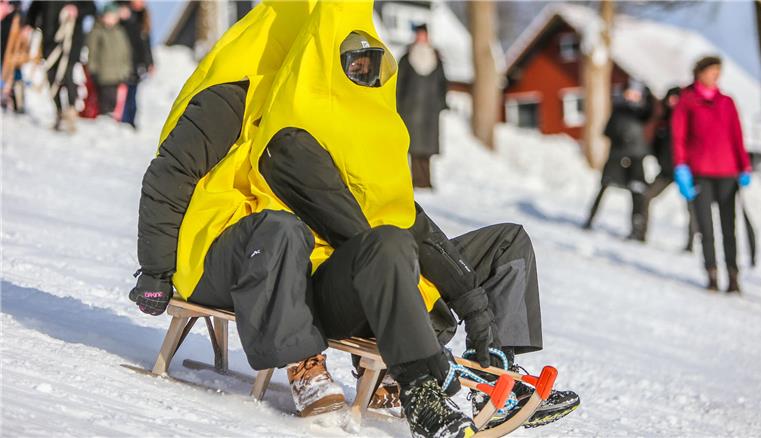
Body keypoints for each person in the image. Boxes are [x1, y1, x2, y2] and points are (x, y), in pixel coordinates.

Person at [130, 3, 577, 436]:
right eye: (345, 58)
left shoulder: (345, 117)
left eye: (365, 63)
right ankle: (322, 369)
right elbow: (172, 174)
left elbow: (402, 216)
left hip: (344, 263)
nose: (358, 72)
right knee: (304, 232)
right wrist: (155, 270)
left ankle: (497, 366)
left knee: (500, 243)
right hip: (234, 249)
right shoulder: (248, 105)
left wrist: (468, 304)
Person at [672, 56, 752, 293]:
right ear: (700, 73)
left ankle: (733, 275)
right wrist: (680, 166)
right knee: (705, 226)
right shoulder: (687, 102)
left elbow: (737, 135)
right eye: (712, 71)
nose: (716, 75)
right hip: (700, 172)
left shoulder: (727, 102)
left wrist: (744, 165)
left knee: (729, 226)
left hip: (727, 171)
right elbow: (678, 137)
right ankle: (712, 273)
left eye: (718, 70)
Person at [583, 79, 654, 241]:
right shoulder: (618, 110)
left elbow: (650, 112)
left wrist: (648, 94)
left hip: (636, 158)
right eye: (630, 93)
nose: (632, 96)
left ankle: (637, 230)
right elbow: (607, 131)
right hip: (617, 156)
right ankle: (590, 219)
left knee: (637, 192)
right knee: (604, 186)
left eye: (636, 94)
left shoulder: (642, 113)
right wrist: (620, 138)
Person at [24, 0, 96, 132]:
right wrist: (29, 24)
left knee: (68, 75)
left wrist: (76, 9)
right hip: (49, 40)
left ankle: (71, 113)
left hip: (71, 41)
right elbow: (35, 7)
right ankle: (58, 112)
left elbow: (91, 8)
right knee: (51, 76)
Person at [642, 86, 698, 248]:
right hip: (666, 171)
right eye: (670, 99)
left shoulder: (688, 121)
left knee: (692, 208)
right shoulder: (662, 121)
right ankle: (641, 232)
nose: (672, 102)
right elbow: (654, 143)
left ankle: (691, 243)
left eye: (676, 99)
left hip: (686, 172)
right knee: (647, 196)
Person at [396, 23, 448, 189]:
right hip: (410, 109)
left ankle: (425, 180)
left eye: (423, 34)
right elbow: (398, 84)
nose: (421, 37)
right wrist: (398, 105)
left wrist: (441, 103)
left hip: (429, 110)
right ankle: (415, 180)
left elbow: (442, 84)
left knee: (426, 148)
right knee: (413, 146)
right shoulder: (406, 57)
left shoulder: (437, 58)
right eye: (418, 34)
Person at [86, 4, 132, 118]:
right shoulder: (97, 32)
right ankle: (104, 120)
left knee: (115, 101)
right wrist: (92, 68)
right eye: (109, 16)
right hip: (103, 73)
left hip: (118, 74)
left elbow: (126, 52)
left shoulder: (120, 32)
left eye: (114, 16)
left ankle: (110, 120)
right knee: (105, 100)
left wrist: (127, 69)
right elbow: (92, 52)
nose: (112, 19)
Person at [116, 0, 153, 128]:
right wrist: (124, 18)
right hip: (124, 61)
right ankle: (123, 120)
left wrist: (150, 62)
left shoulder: (143, 17)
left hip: (138, 63)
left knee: (133, 93)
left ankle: (130, 120)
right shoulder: (123, 12)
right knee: (123, 93)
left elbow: (146, 43)